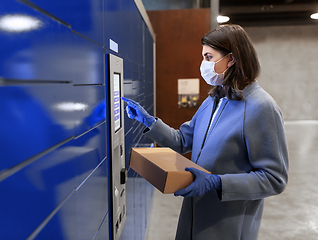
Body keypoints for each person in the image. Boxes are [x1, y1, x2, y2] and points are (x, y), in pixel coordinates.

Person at [122, 24, 289, 240]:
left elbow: (274, 178)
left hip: (227, 224)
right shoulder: (215, 99)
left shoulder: (261, 107)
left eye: (209, 57)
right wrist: (150, 122)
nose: (204, 65)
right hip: (194, 216)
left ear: (231, 59)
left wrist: (217, 182)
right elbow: (182, 140)